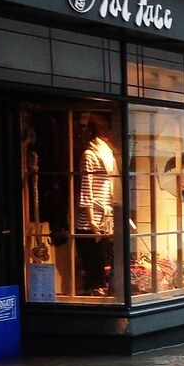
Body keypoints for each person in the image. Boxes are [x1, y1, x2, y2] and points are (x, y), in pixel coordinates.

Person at [75, 115, 116, 296]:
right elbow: (91, 186)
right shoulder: (102, 155)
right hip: (100, 217)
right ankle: (98, 289)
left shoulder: (96, 155)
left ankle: (97, 289)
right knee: (97, 260)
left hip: (96, 218)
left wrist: (92, 220)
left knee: (95, 259)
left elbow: (89, 187)